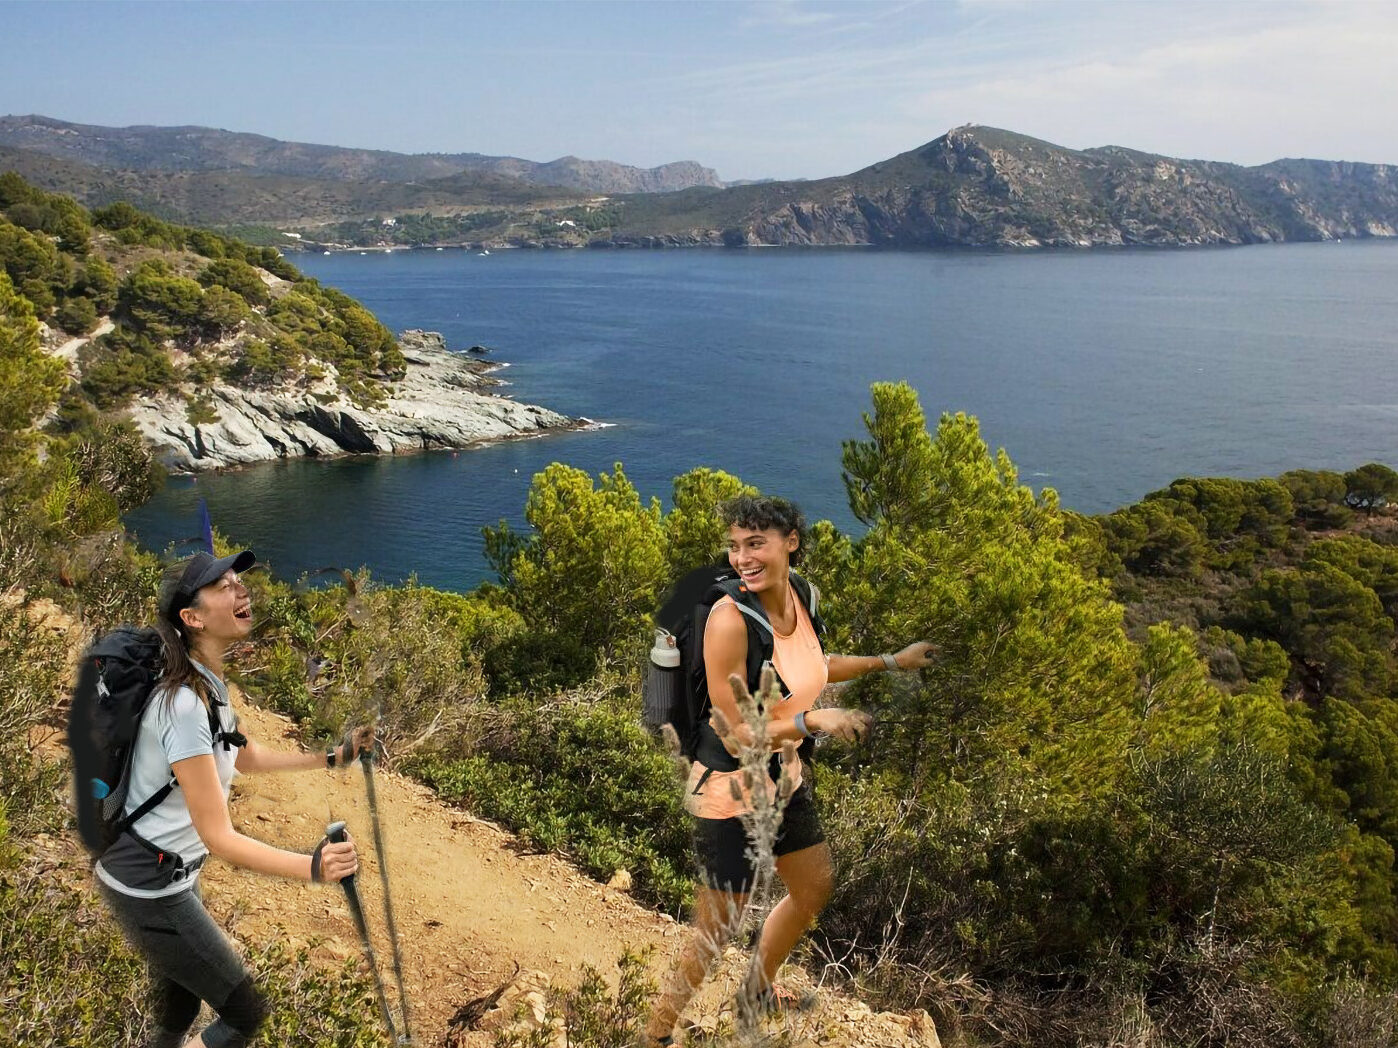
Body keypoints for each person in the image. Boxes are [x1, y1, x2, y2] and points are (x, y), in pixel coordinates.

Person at [643, 496, 935, 1046]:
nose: (742, 558)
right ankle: (655, 1033)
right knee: (717, 927)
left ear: (790, 542)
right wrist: (810, 718)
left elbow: (818, 668)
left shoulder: (802, 596)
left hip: (784, 776)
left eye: (756, 544)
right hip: (729, 788)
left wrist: (891, 661)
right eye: (735, 546)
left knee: (813, 885)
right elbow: (733, 729)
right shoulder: (729, 621)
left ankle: (758, 986)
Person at [94, 550, 372, 1048]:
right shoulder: (182, 704)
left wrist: (330, 758)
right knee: (245, 1014)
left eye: (238, 582)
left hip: (170, 872)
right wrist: (313, 868)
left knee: (181, 1003)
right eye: (223, 586)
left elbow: (245, 756)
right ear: (192, 618)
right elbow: (218, 836)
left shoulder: (209, 687)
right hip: (149, 886)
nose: (241, 590)